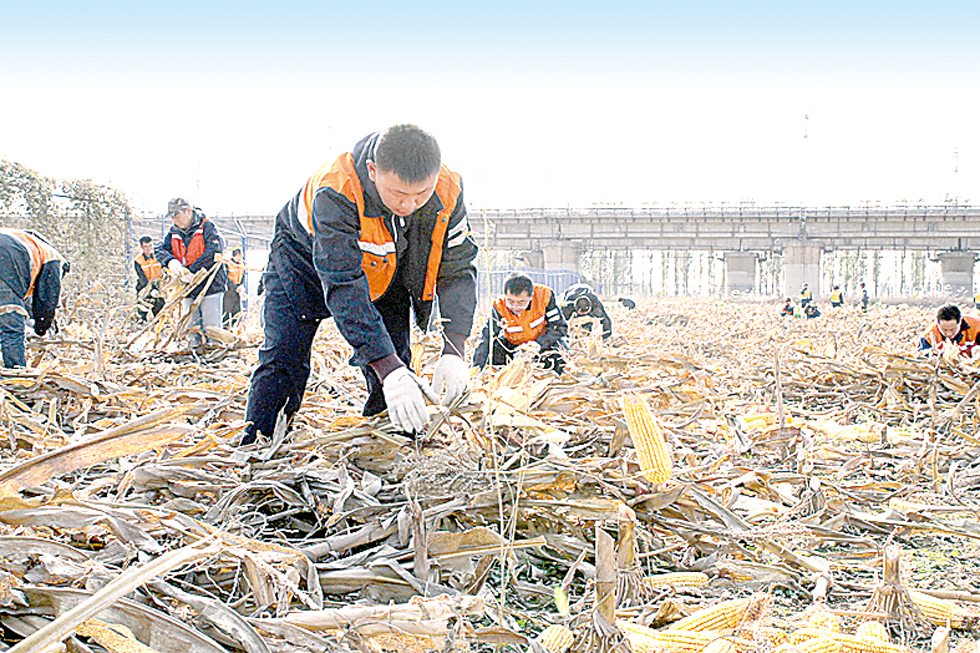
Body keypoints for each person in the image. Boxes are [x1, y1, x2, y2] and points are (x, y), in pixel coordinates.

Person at [243, 125, 478, 444]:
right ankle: (259, 444)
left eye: (421, 194)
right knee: (284, 353)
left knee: (396, 357)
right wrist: (388, 369)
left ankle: (391, 444)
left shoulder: (449, 190)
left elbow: (458, 267)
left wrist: (454, 348)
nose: (409, 205)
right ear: (372, 170)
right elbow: (344, 284)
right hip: (301, 263)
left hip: (387, 262)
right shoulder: (337, 190)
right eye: (398, 194)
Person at [154, 198, 227, 347]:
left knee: (212, 329)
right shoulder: (174, 231)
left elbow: (214, 251)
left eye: (177, 215)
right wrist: (171, 262)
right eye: (172, 217)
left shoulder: (207, 227)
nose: (174, 220)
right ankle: (193, 356)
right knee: (191, 329)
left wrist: (194, 271)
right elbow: (159, 249)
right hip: (188, 288)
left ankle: (214, 357)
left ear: (188, 211)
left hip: (210, 287)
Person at [0, 228, 69, 368]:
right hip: (5, 257)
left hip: (8, 254)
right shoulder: (53, 257)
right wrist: (41, 329)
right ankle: (15, 378)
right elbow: (47, 300)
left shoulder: (23, 240)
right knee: (11, 326)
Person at [473, 273, 568, 373]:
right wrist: (476, 368)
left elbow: (560, 328)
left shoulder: (544, 296)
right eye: (510, 301)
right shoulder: (499, 307)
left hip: (542, 344)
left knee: (561, 350)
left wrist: (538, 345)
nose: (515, 307)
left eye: (521, 302)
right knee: (494, 350)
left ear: (531, 296)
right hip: (514, 348)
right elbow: (486, 337)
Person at [134, 236, 164, 321]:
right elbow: (142, 278)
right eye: (145, 246)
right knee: (143, 304)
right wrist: (151, 290)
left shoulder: (158, 257)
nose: (148, 249)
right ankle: (141, 321)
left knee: (160, 305)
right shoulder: (138, 261)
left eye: (150, 246)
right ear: (141, 247)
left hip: (160, 285)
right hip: (145, 286)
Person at [223, 248, 245, 327]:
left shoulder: (241, 265)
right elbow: (226, 278)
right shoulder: (227, 264)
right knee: (226, 312)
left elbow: (242, 278)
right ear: (238, 255)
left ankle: (233, 328)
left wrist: (241, 286)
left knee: (237, 312)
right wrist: (234, 287)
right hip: (229, 291)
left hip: (237, 292)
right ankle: (225, 328)